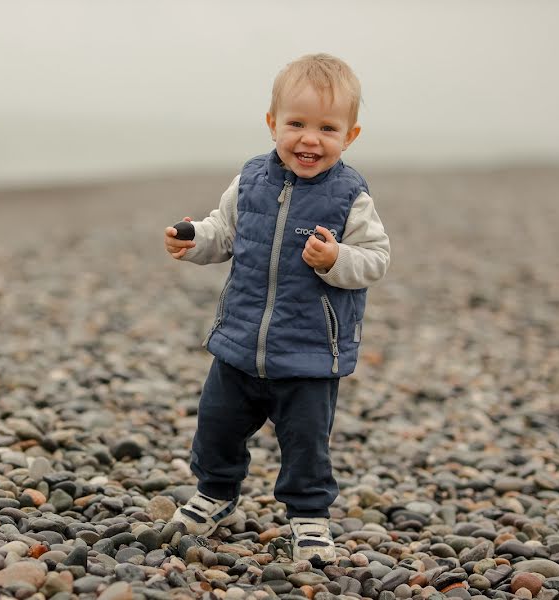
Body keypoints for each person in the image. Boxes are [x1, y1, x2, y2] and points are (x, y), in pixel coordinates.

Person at [162, 53, 390, 565]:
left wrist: (336, 259)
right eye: (297, 124)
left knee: (306, 443)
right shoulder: (250, 182)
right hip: (240, 342)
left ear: (350, 136)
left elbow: (376, 259)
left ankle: (309, 517)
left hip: (309, 353)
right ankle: (215, 494)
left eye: (327, 128)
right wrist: (194, 238)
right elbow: (224, 233)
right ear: (272, 124)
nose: (310, 139)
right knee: (216, 424)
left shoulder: (349, 195)